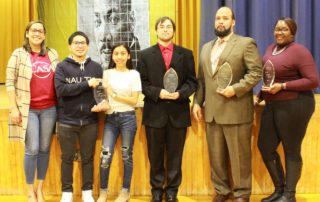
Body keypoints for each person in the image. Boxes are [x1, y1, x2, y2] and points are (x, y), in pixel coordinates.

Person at [193, 7, 262, 202]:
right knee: (216, 158)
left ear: (233, 22)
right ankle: (222, 191)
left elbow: (256, 72)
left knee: (239, 157)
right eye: (217, 18)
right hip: (212, 113)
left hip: (237, 110)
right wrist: (197, 102)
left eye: (225, 18)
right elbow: (202, 80)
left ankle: (241, 194)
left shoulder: (245, 43)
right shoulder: (206, 47)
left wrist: (236, 88)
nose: (220, 21)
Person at [257, 17, 319, 202]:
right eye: (277, 29)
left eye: (284, 29)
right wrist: (260, 95)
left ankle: (289, 195)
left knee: (291, 149)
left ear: (292, 32)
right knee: (265, 147)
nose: (279, 32)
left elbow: (313, 80)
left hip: (296, 105)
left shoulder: (299, 51)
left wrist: (283, 86)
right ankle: (279, 189)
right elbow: (269, 77)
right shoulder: (270, 49)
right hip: (272, 104)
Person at [137, 16, 197, 202]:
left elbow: (192, 81)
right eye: (162, 27)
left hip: (178, 112)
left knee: (175, 155)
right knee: (154, 155)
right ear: (156, 30)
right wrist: (159, 93)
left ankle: (171, 191)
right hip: (154, 112)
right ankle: (156, 191)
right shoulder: (145, 55)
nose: (165, 29)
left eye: (169, 27)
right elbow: (142, 83)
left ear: (173, 30)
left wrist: (181, 94)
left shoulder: (185, 54)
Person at [5, 20, 59, 202]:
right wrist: (13, 107)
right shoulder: (18, 54)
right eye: (33, 30)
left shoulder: (52, 54)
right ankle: (29, 191)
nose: (37, 33)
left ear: (44, 35)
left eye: (40, 31)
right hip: (29, 110)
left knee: (44, 149)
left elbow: (59, 79)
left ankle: (40, 189)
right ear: (27, 33)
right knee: (32, 149)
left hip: (50, 109)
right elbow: (10, 82)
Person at [54, 31, 103, 202]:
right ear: (70, 46)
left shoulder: (96, 67)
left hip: (90, 121)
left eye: (83, 42)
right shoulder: (62, 67)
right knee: (67, 158)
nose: (80, 45)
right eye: (76, 43)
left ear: (88, 46)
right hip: (67, 121)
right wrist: (86, 84)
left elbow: (100, 92)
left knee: (88, 158)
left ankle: (87, 192)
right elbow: (61, 90)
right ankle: (66, 193)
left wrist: (103, 102)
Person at [96, 43, 141, 202]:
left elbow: (134, 100)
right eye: (116, 53)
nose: (119, 57)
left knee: (126, 155)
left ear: (128, 56)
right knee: (105, 156)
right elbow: (103, 96)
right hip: (110, 119)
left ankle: (125, 192)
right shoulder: (107, 73)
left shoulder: (134, 74)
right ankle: (103, 192)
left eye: (123, 53)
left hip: (128, 118)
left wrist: (114, 94)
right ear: (112, 56)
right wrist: (101, 103)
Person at [93, 0, 140, 69]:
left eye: (114, 19)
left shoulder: (142, 66)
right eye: (98, 21)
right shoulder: (94, 70)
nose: (103, 37)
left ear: (131, 21)